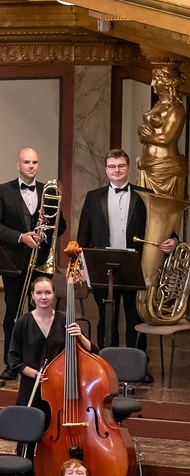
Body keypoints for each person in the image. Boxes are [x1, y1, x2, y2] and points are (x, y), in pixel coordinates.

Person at [0, 148, 61, 350]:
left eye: (34, 162)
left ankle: (37, 357)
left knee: (40, 312)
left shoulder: (49, 190)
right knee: (13, 312)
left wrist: (43, 235)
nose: (31, 166)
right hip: (12, 261)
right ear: (18, 165)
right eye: (26, 162)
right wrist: (20, 237)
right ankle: (11, 362)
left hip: (40, 261)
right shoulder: (3, 190)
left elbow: (59, 226)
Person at [76, 148, 145, 350]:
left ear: (128, 168)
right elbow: (83, 236)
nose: (116, 170)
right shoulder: (92, 197)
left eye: (121, 165)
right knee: (107, 316)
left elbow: (163, 227)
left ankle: (139, 363)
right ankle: (107, 361)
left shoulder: (144, 196)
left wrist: (173, 240)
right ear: (106, 170)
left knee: (136, 316)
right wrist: (82, 265)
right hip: (102, 265)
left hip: (136, 265)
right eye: (112, 166)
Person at [9, 275, 88, 428]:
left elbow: (91, 351)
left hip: (60, 388)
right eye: (39, 293)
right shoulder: (23, 323)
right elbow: (13, 359)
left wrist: (80, 336)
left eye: (47, 292)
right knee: (27, 434)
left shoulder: (66, 319)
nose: (43, 297)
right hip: (32, 387)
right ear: (32, 295)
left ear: (54, 294)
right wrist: (35, 374)